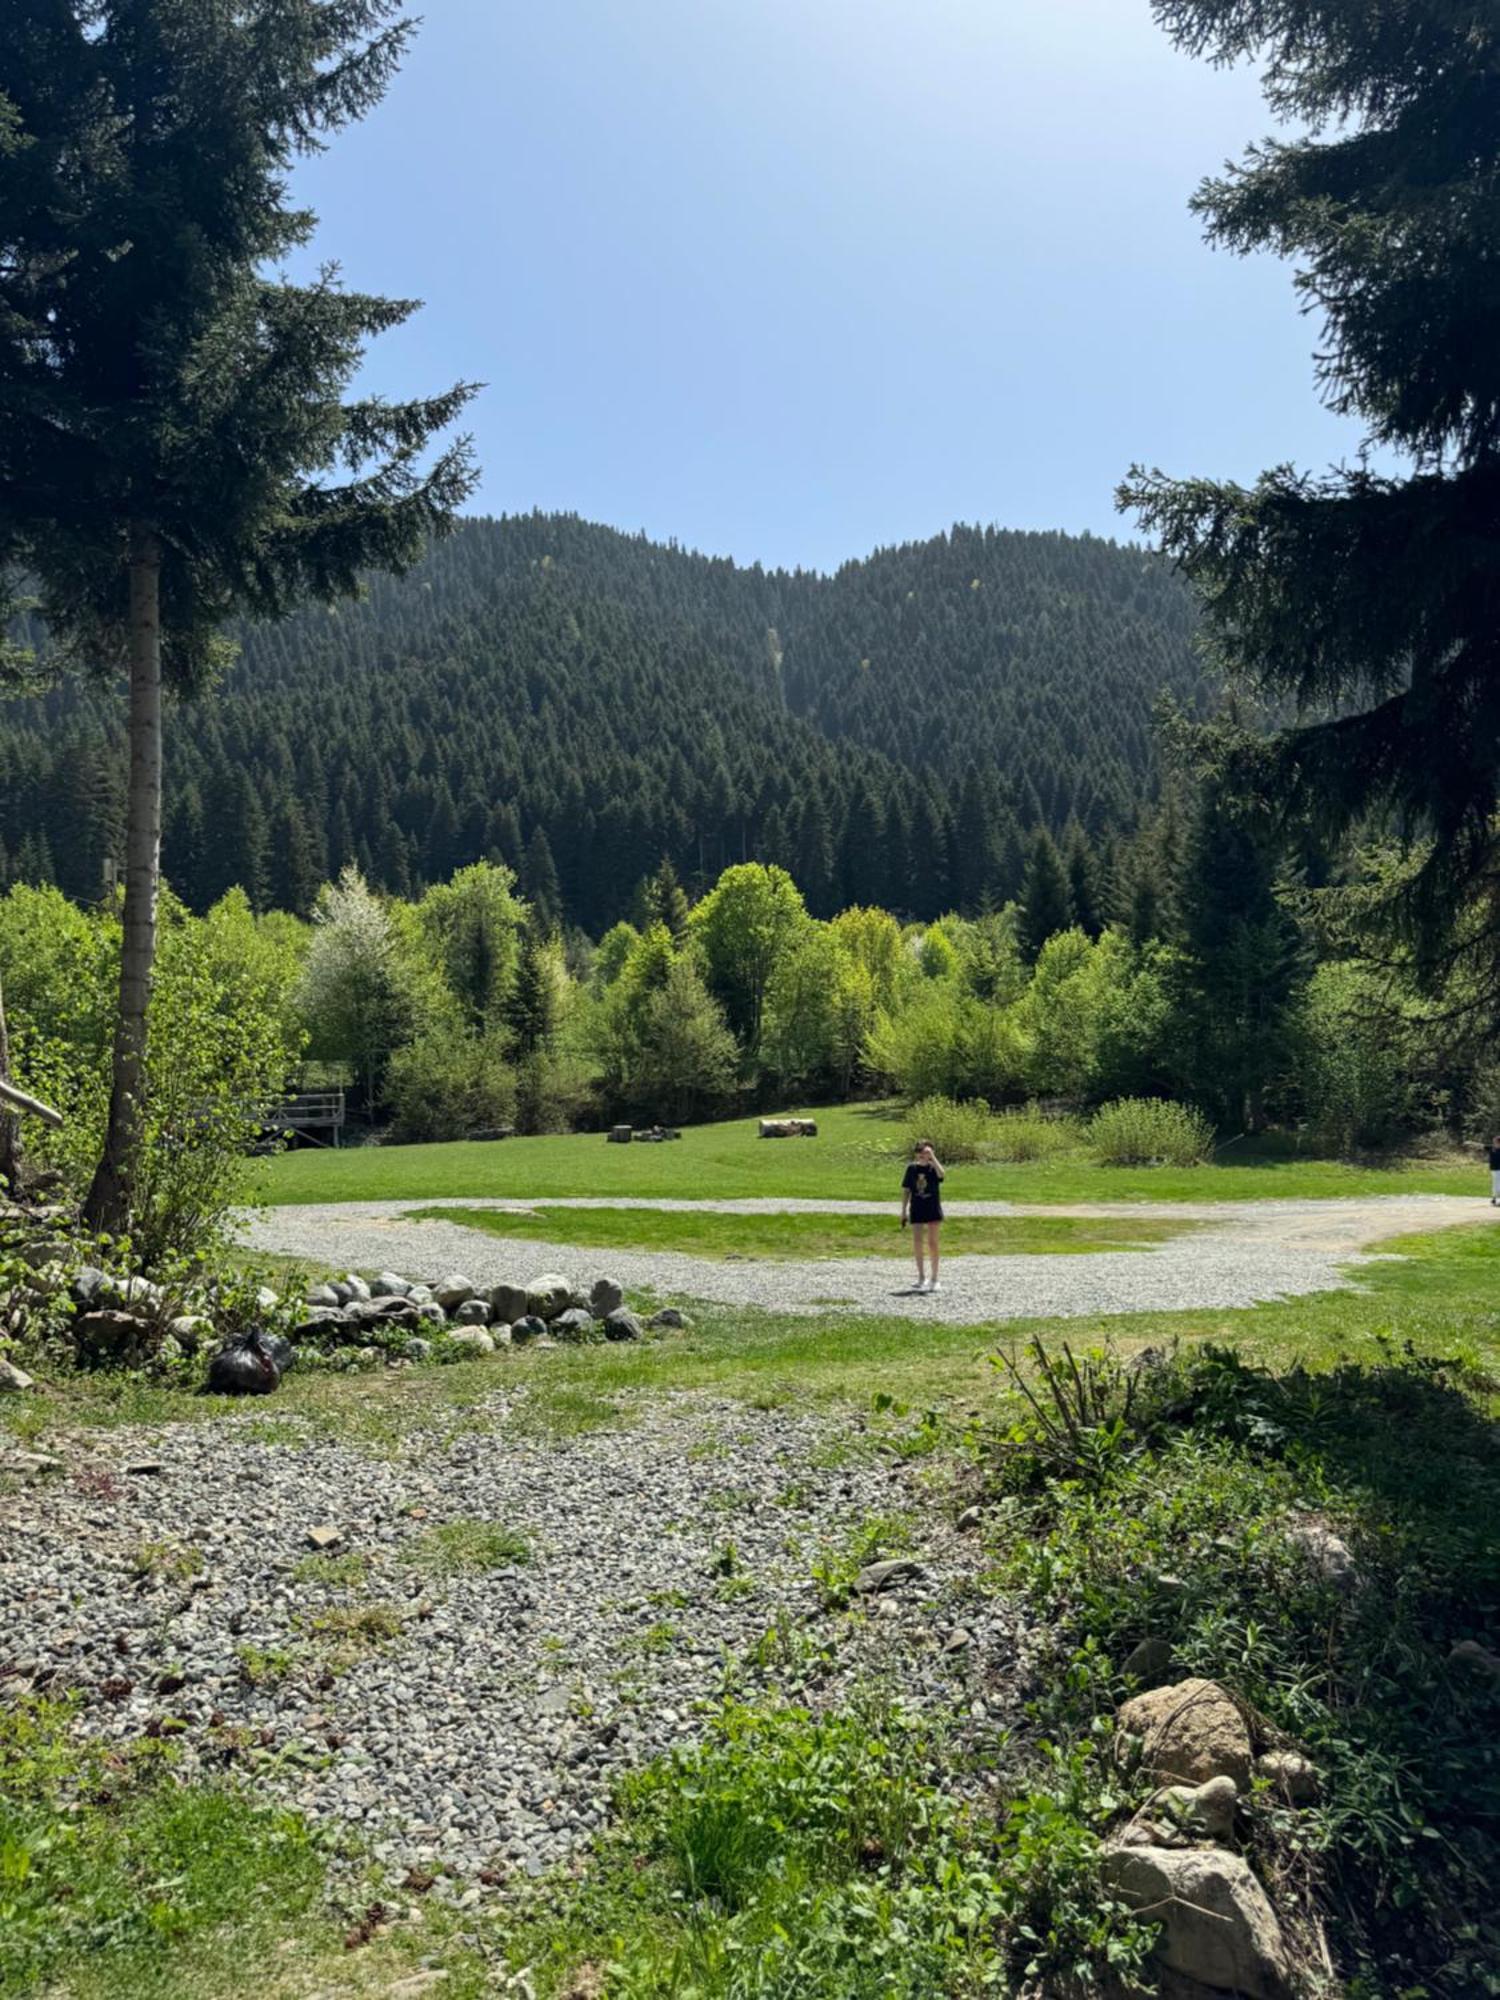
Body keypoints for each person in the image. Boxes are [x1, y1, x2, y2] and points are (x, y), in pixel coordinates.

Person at [901, 1140, 946, 1293]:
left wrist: (933, 1157)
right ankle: (921, 1277)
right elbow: (906, 1190)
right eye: (920, 1154)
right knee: (918, 1242)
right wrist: (903, 1211)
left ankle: (935, 1278)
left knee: (933, 1243)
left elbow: (942, 1174)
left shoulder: (934, 1168)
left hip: (932, 1208)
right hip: (917, 1208)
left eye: (926, 1153)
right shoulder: (911, 1169)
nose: (923, 1156)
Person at [1489, 1134, 1500, 1206]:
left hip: (1499, 1169)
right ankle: (1494, 1198)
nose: (1494, 1142)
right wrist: (1472, 1143)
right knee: (1495, 1184)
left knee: (1498, 1185)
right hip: (1493, 1169)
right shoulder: (1492, 1148)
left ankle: (1494, 1198)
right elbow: (1481, 1146)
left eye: (1495, 1141)